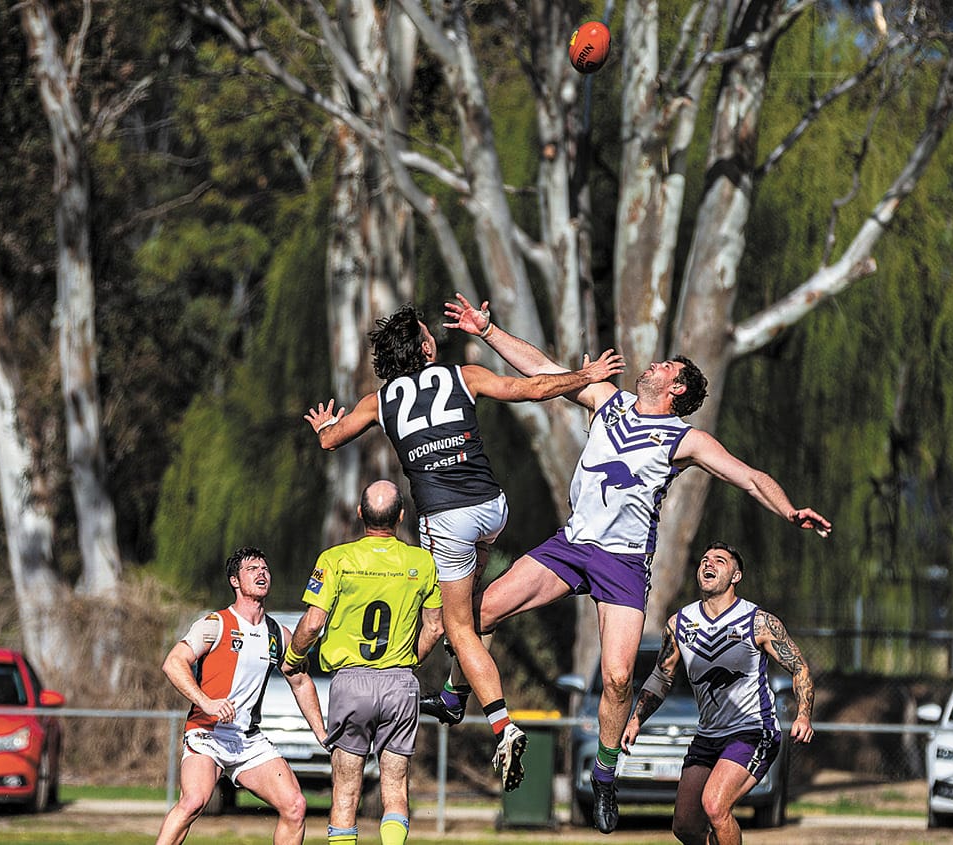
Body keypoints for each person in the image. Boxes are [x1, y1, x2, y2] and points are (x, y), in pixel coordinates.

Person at [442, 293, 832, 833]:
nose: (653, 363)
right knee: (476, 614)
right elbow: (542, 369)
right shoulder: (609, 400)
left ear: (677, 388)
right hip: (571, 546)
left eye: (666, 365)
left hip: (623, 564)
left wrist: (788, 508)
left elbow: (746, 475)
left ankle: (605, 776)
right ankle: (457, 691)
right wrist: (488, 331)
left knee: (620, 677)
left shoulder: (685, 438)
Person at [304, 303, 623, 792]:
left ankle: (502, 723)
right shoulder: (463, 374)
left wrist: (324, 425)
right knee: (472, 611)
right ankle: (453, 697)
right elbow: (532, 389)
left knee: (455, 625)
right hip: (492, 508)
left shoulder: (378, 402)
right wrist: (588, 374)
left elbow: (330, 442)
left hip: (447, 519)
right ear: (427, 347)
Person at [283, 480, 443, 845]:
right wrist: (405, 663)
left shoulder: (336, 560)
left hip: (351, 682)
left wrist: (294, 658)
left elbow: (313, 622)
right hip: (400, 684)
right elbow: (434, 628)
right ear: (401, 517)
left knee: (345, 793)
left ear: (359, 514)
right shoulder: (422, 562)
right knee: (395, 789)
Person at [623, 543, 816, 845]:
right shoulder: (679, 624)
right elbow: (661, 676)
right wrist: (635, 720)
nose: (708, 564)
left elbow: (800, 668)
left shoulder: (759, 621)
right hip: (708, 736)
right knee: (686, 827)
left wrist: (804, 714)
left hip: (752, 732)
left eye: (719, 561)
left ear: (736, 575)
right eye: (704, 560)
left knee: (715, 806)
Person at [155, 548, 323, 845]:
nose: (262, 573)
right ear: (235, 580)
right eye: (252, 569)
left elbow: (300, 682)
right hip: (207, 733)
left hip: (248, 739)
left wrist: (322, 732)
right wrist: (207, 702)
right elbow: (173, 663)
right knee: (194, 800)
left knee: (295, 806)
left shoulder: (278, 634)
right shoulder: (214, 624)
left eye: (265, 569)